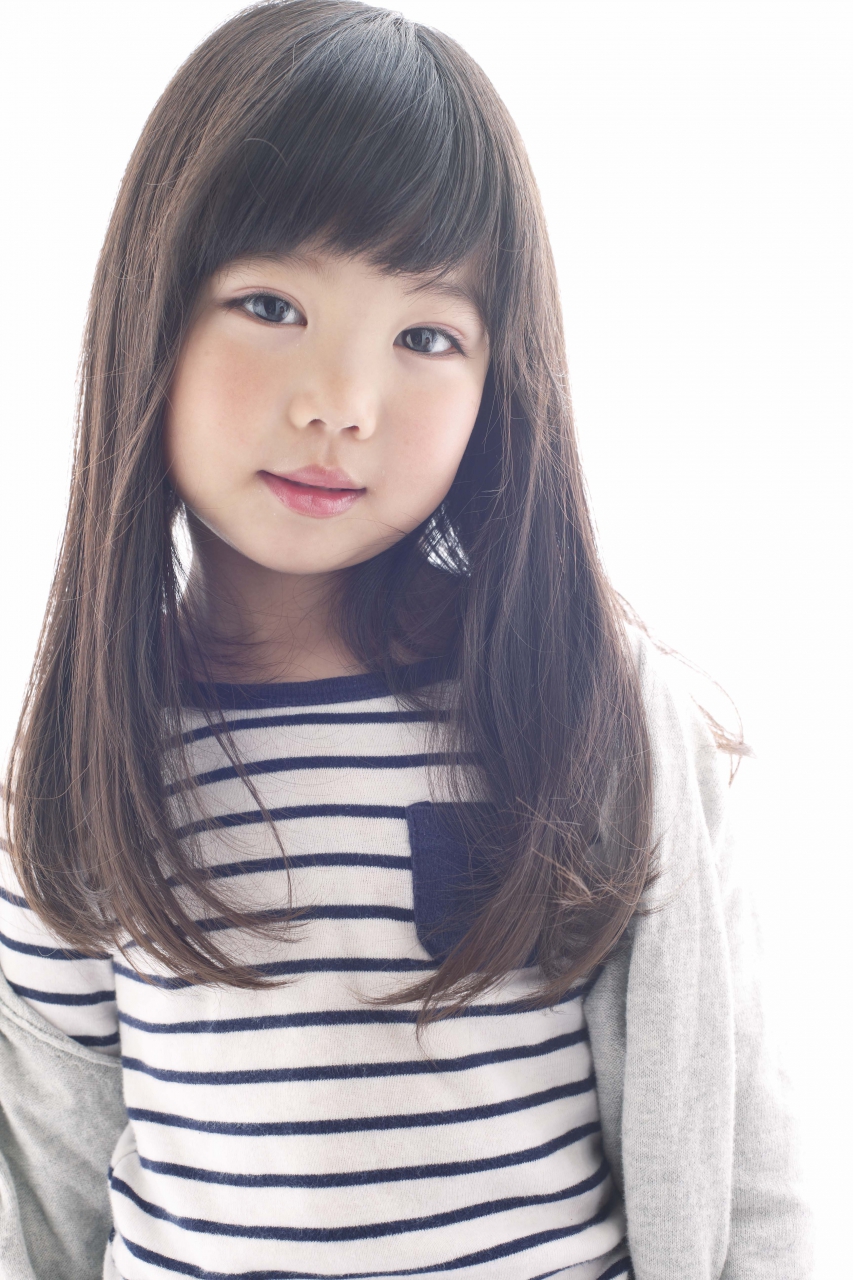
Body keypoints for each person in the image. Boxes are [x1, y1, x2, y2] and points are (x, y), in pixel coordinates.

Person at [0, 3, 813, 1278]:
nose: (341, 403)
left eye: (425, 335)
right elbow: (48, 1201)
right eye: (270, 302)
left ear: (500, 382)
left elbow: (745, 1163)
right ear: (148, 315)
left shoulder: (573, 707)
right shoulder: (81, 768)